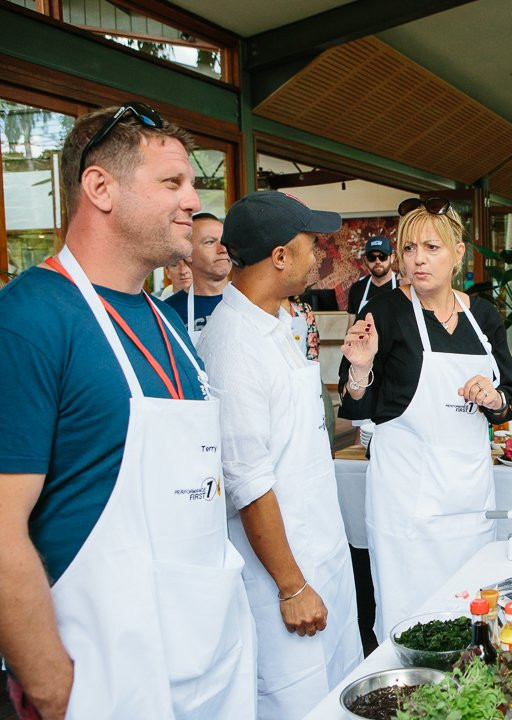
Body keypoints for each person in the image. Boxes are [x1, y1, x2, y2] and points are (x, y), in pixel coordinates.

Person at [0, 103, 255, 719]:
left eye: (192, 184)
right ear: (100, 187)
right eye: (172, 183)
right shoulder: (32, 319)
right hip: (105, 676)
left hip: (210, 662)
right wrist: (55, 690)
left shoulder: (167, 323)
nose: (193, 201)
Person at [198, 191, 362, 718]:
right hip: (282, 577)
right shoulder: (233, 345)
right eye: (310, 244)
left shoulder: (278, 322)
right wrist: (292, 586)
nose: (319, 254)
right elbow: (248, 481)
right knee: (296, 700)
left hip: (322, 551)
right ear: (279, 256)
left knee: (339, 691)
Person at [339, 196, 512, 641]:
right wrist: (360, 368)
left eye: (432, 248)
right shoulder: (384, 312)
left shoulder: (483, 316)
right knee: (410, 623)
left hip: (470, 500)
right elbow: (358, 403)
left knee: (472, 616)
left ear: (459, 253)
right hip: (407, 506)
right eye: (408, 249)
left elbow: (508, 401)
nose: (417, 259)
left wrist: (493, 397)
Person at [164, 211, 228, 342]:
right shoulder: (168, 312)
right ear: (188, 254)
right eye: (210, 242)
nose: (223, 249)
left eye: (225, 241)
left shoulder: (250, 302)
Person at [346, 236, 398, 319]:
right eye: (372, 257)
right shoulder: (357, 288)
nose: (377, 261)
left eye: (382, 256)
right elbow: (351, 326)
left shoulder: (403, 286)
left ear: (392, 258)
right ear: (366, 260)